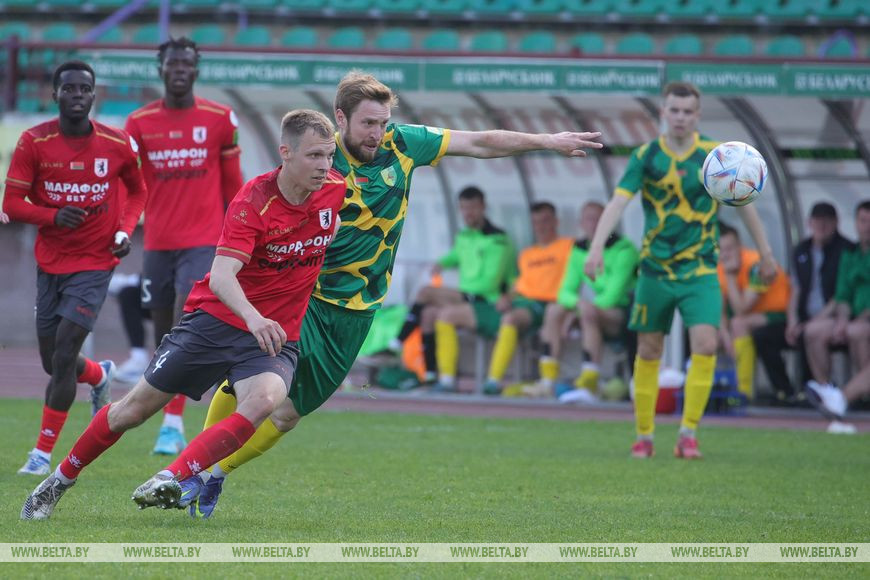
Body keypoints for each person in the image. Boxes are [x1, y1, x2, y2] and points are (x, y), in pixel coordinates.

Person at [188, 71, 603, 518]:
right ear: (340, 118)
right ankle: (191, 466)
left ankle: (217, 474)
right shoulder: (321, 161)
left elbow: (481, 142)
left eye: (383, 122)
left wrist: (548, 141)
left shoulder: (404, 144)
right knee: (251, 381)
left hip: (356, 311)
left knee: (287, 415)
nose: (377, 133)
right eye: (368, 123)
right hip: (303, 298)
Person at [20, 109, 346, 520]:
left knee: (264, 401)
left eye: (329, 155)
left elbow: (332, 224)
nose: (324, 166)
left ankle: (171, 477)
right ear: (286, 153)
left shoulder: (335, 189)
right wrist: (254, 317)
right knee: (131, 411)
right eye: (314, 155)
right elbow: (222, 277)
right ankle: (58, 481)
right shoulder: (252, 202)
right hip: (217, 323)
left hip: (273, 338)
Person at [584, 81, 777, 460]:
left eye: (688, 112)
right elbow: (618, 202)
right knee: (649, 348)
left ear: (697, 115)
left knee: (706, 343)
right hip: (655, 269)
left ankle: (688, 434)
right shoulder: (646, 155)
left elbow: (745, 203)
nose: (680, 117)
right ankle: (644, 435)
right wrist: (596, 247)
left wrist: (766, 253)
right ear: (663, 112)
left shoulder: (715, 156)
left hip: (700, 268)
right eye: (674, 110)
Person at [3, 61, 148, 475]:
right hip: (51, 262)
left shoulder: (117, 143)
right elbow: (11, 204)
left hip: (96, 261)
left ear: (94, 94)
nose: (78, 95)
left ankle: (42, 454)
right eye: (69, 89)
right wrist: (52, 216)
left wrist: (123, 231)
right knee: (53, 362)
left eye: (85, 88)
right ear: (55, 95)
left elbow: (138, 192)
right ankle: (98, 375)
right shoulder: (34, 142)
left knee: (65, 352)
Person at [125, 37, 244, 455]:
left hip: (204, 240)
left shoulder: (219, 118)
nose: (179, 70)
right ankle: (167, 415)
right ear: (160, 69)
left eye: (186, 63)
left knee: (184, 320)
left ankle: (172, 423)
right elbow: (130, 186)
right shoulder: (138, 122)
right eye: (172, 63)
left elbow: (234, 187)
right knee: (163, 333)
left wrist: (239, 239)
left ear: (196, 69)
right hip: (158, 243)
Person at [395, 186, 516, 388]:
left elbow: (489, 283)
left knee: (426, 293)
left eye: (472, 208)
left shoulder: (498, 240)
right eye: (463, 208)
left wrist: (462, 292)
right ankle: (432, 376)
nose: (468, 213)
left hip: (487, 301)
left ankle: (399, 341)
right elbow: (457, 255)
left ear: (483, 207)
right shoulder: (464, 236)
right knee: (428, 314)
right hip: (467, 298)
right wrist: (441, 264)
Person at [753, 202, 854, 404]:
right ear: (809, 223)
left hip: (833, 320)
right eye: (817, 221)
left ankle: (823, 391)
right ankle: (786, 392)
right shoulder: (801, 250)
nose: (821, 226)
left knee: (811, 333)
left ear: (836, 223)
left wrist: (811, 322)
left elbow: (842, 294)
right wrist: (792, 321)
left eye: (826, 221)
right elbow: (796, 289)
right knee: (763, 335)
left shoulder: (847, 250)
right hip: (804, 319)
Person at [538, 201, 638, 399]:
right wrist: (578, 305)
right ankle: (547, 381)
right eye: (589, 219)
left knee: (587, 311)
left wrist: (578, 311)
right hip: (592, 311)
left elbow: (613, 296)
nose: (594, 224)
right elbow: (564, 291)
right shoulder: (579, 250)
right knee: (554, 310)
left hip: (625, 314)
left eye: (599, 219)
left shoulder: (624, 249)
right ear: (581, 223)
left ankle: (589, 380)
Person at [479, 201, 573, 395]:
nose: (541, 226)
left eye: (545, 221)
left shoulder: (569, 247)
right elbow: (519, 285)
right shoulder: (527, 254)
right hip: (524, 302)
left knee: (510, 318)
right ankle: (494, 381)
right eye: (536, 222)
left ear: (556, 222)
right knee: (500, 314)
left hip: (550, 302)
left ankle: (495, 380)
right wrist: (507, 297)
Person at [805, 200, 870, 421]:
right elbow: (842, 295)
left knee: (856, 331)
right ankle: (827, 391)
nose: (867, 226)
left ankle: (844, 398)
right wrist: (842, 320)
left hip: (863, 321)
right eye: (863, 221)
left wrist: (859, 320)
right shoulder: (850, 252)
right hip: (855, 319)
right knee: (813, 330)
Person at [716, 222, 790, 400]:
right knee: (710, 334)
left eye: (729, 249)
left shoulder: (758, 265)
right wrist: (725, 337)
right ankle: (717, 390)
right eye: (721, 250)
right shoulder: (719, 268)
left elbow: (741, 308)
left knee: (739, 323)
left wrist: (730, 277)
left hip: (781, 314)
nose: (725, 255)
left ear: (739, 246)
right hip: (753, 318)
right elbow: (720, 309)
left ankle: (743, 393)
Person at [107, 272, 153, 383]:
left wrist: (134, 281)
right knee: (128, 294)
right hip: (159, 292)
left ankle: (168, 362)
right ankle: (139, 359)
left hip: (184, 297)